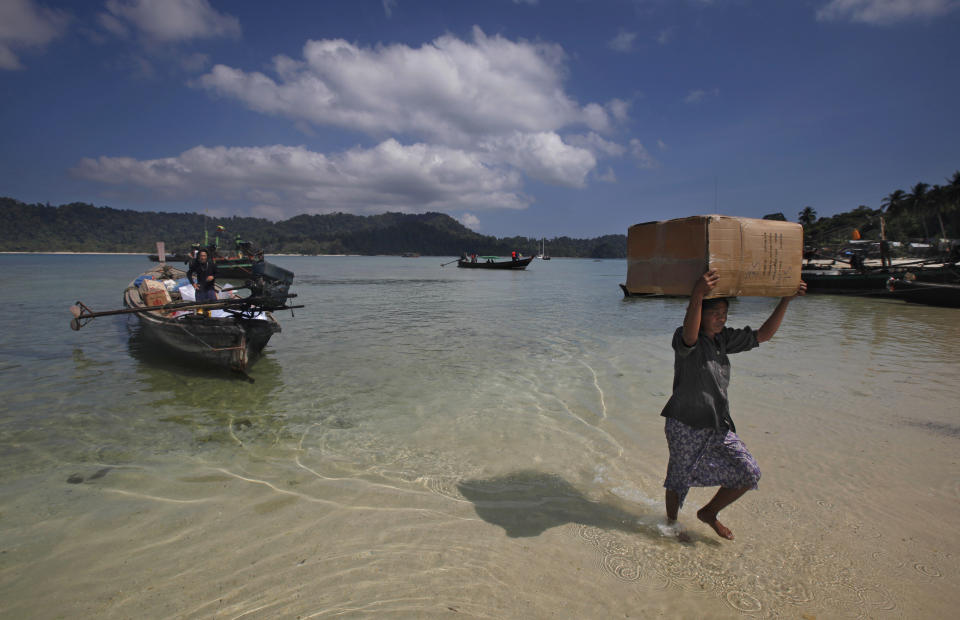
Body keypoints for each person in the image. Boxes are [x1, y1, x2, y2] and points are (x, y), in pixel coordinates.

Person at [661, 269, 806, 541]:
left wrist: (786, 300)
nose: (721, 318)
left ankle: (708, 513)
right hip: (684, 422)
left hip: (718, 425)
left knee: (749, 472)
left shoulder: (724, 340)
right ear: (700, 313)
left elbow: (763, 335)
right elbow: (690, 333)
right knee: (678, 479)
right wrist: (698, 293)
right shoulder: (686, 338)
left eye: (724, 313)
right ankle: (671, 524)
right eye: (715, 312)